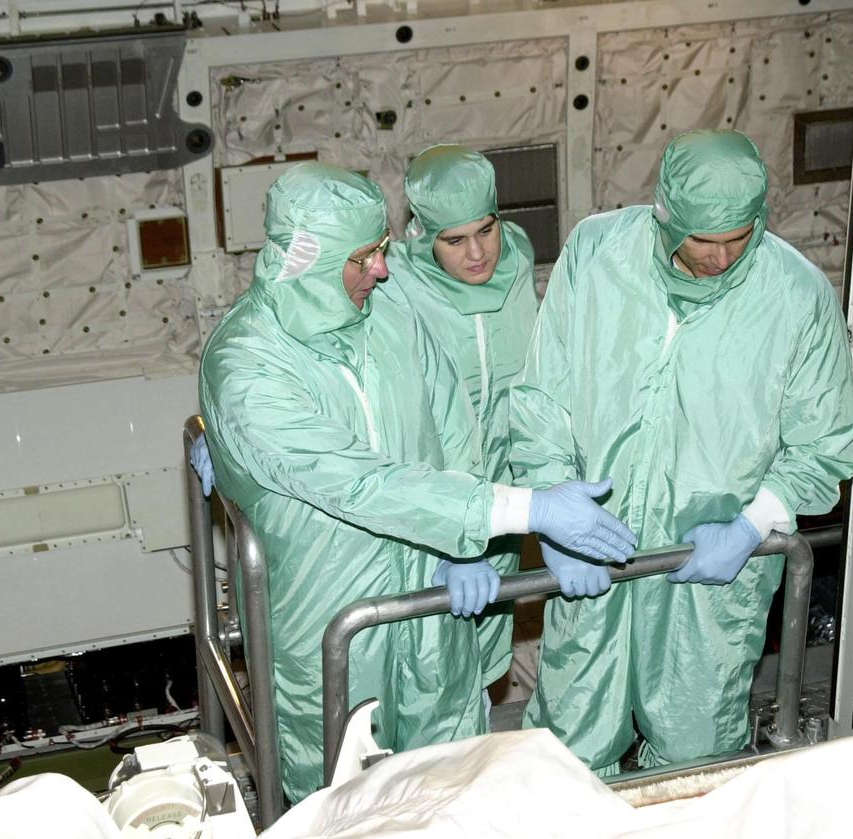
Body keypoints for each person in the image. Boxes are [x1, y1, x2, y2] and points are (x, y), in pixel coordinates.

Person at [198, 162, 636, 801]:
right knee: (342, 793)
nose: (381, 268)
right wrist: (524, 509)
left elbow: (451, 424)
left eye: (380, 251)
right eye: (364, 257)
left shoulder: (385, 309)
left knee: (450, 773)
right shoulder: (246, 365)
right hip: (325, 605)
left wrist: (465, 547)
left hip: (430, 584)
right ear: (307, 261)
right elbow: (360, 483)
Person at [511, 129, 853, 775]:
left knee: (697, 750)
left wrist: (754, 523)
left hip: (710, 566)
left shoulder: (796, 293)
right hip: (597, 545)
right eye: (704, 239)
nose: (721, 255)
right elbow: (543, 397)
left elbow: (825, 445)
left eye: (738, 237)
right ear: (665, 215)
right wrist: (552, 504)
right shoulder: (597, 252)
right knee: (571, 748)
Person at [388, 145, 540, 690]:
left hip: (504, 500)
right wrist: (222, 431)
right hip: (430, 508)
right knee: (427, 673)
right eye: (454, 240)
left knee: (485, 663)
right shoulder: (392, 283)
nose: (478, 253)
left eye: (487, 228)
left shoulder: (517, 256)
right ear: (422, 235)